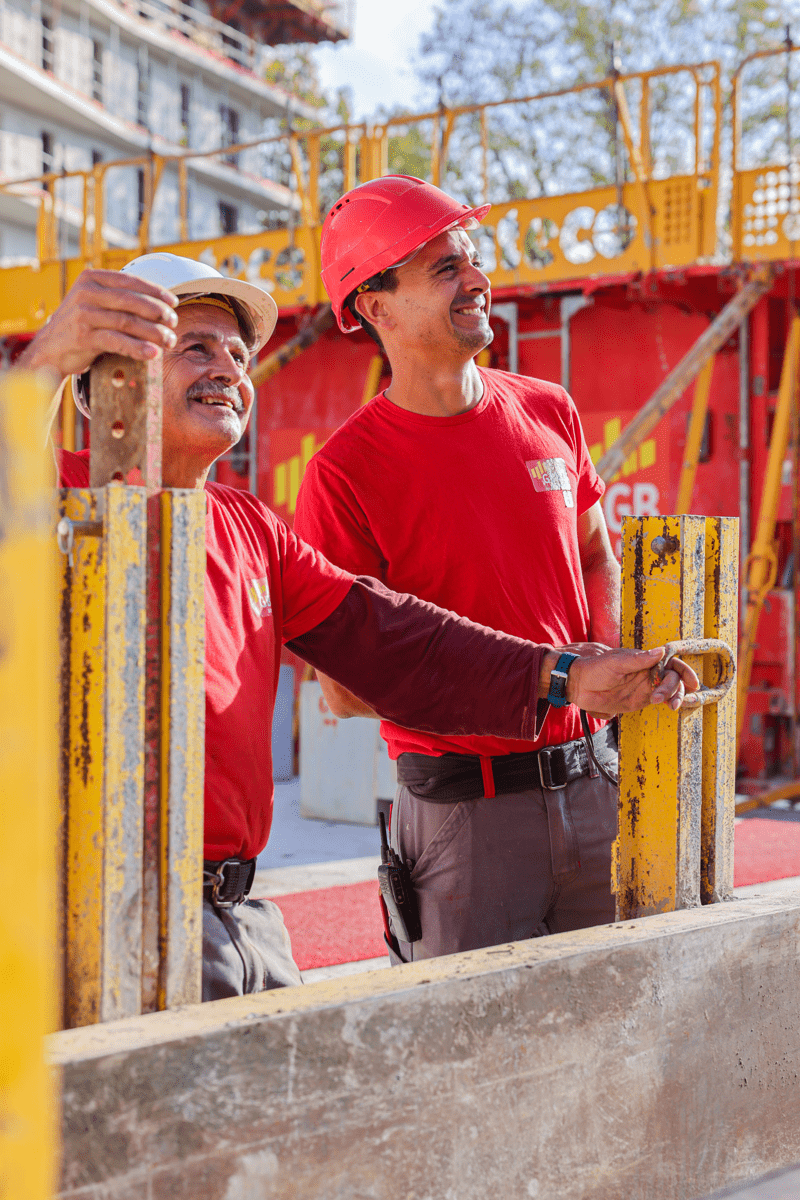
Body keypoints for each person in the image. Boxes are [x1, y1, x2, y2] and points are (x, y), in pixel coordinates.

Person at [21, 250, 696, 998]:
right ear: (106, 379)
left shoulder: (250, 528)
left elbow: (394, 639)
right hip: (102, 911)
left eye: (238, 356)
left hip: (234, 911)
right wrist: (43, 363)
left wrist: (562, 675)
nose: (228, 371)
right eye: (196, 349)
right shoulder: (56, 500)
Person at [295, 174, 641, 964]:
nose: (478, 279)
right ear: (377, 307)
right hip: (466, 822)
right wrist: (552, 681)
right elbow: (346, 690)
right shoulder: (345, 474)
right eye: (446, 267)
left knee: (625, 1018)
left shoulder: (550, 409)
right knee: (471, 1037)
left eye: (473, 258)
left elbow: (595, 553)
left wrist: (614, 665)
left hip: (597, 784)